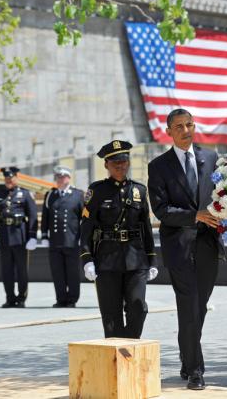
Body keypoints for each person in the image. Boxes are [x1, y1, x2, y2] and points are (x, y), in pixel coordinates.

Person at [147, 109, 222, 391]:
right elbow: (161, 210)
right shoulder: (159, 166)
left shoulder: (211, 158)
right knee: (189, 305)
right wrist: (195, 216)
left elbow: (223, 195)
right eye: (178, 126)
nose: (185, 130)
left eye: (189, 124)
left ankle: (186, 355)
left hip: (208, 245)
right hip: (179, 246)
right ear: (169, 131)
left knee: (199, 307)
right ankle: (195, 370)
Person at [80, 140, 158, 338]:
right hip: (107, 259)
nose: (120, 166)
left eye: (123, 161)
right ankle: (116, 350)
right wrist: (87, 259)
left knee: (138, 307)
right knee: (111, 313)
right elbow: (86, 227)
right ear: (106, 164)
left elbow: (146, 227)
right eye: (115, 162)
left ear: (128, 162)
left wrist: (152, 259)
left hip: (135, 259)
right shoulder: (97, 191)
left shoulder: (139, 190)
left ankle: (131, 344)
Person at [0, 167, 38, 308]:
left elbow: (32, 215)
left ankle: (21, 298)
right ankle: (10, 298)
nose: (8, 181)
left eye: (11, 178)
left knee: (22, 270)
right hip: (4, 237)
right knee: (6, 271)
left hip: (20, 237)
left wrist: (32, 236)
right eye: (6, 178)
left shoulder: (25, 194)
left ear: (16, 178)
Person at [41, 166, 84, 308]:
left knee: (72, 272)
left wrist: (82, 236)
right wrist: (44, 235)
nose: (60, 179)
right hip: (55, 241)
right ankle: (61, 299)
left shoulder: (78, 195)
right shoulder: (50, 195)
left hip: (72, 240)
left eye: (63, 177)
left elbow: (84, 218)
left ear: (69, 178)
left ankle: (72, 299)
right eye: (58, 177)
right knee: (57, 272)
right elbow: (45, 217)